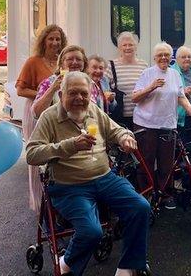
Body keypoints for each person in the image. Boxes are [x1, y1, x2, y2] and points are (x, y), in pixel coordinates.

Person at [26, 72, 150, 276]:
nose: (79, 99)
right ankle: (66, 264)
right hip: (69, 186)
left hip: (104, 178)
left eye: (83, 93)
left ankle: (127, 268)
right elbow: (32, 154)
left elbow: (116, 130)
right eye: (72, 93)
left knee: (141, 207)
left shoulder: (93, 110)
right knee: (91, 232)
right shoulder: (49, 117)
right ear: (61, 93)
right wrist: (70, 145)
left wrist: (125, 138)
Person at [132, 42, 191, 210]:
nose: (163, 57)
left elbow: (181, 97)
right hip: (146, 124)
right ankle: (146, 195)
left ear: (171, 58)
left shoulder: (174, 74)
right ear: (154, 58)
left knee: (166, 163)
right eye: (160, 55)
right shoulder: (147, 74)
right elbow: (134, 98)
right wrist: (151, 87)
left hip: (168, 125)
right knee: (146, 162)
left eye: (166, 54)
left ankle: (164, 194)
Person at [15, 24, 67, 211]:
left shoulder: (63, 62)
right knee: (37, 157)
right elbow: (20, 90)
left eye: (58, 39)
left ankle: (56, 203)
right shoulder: (33, 61)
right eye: (51, 38)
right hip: (36, 111)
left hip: (56, 112)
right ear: (44, 41)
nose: (54, 42)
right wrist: (43, 94)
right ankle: (39, 203)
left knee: (54, 155)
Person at [32, 45, 88, 118]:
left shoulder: (90, 84)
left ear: (84, 63)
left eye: (79, 59)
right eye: (70, 59)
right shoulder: (49, 83)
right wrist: (52, 89)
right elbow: (36, 114)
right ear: (61, 63)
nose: (74, 62)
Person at [107, 32, 148, 129]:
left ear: (136, 47)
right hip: (119, 116)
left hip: (141, 115)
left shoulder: (144, 65)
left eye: (131, 45)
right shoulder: (111, 65)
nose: (127, 48)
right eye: (124, 45)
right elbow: (104, 88)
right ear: (119, 48)